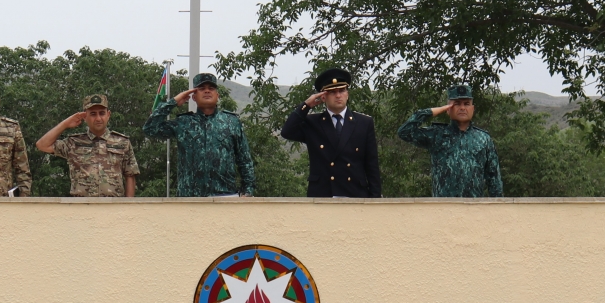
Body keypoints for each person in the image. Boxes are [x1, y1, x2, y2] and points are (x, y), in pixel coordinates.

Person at [142, 72, 255, 197]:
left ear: (217, 95)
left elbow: (244, 159)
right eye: (201, 88)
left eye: (211, 88)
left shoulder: (231, 122)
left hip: (224, 195)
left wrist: (248, 191)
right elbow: (150, 128)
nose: (207, 91)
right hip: (189, 197)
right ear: (194, 96)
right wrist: (173, 102)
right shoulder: (183, 122)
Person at [280, 68, 381, 198]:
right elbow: (287, 132)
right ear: (323, 96)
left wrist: (375, 201)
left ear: (347, 94)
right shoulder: (313, 122)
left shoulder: (364, 123)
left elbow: (372, 165)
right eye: (332, 92)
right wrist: (306, 105)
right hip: (323, 195)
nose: (338, 96)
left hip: (355, 194)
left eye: (342, 91)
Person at [397, 84, 503, 197]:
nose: (462, 108)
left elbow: (494, 178)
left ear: (473, 108)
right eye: (457, 104)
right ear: (448, 109)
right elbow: (404, 132)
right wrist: (432, 111)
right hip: (443, 205)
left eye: (466, 104)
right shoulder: (437, 134)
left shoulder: (483, 139)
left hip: (473, 205)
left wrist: (498, 206)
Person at [35, 94, 140, 197]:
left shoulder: (122, 142)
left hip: (113, 205)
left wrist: (127, 205)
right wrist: (65, 124)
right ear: (85, 116)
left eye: (102, 113)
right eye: (93, 114)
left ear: (108, 115)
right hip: (82, 205)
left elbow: (130, 175)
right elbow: (42, 145)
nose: (98, 118)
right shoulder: (74, 142)